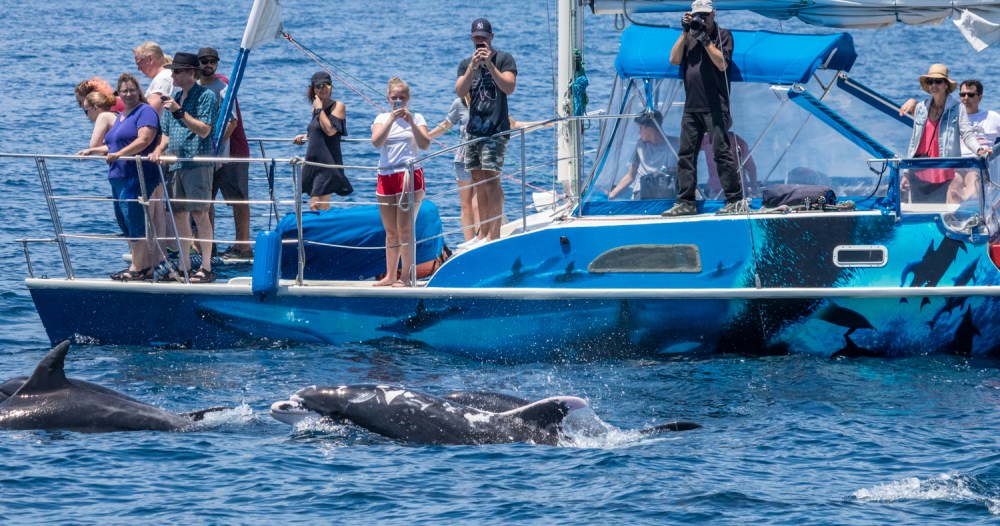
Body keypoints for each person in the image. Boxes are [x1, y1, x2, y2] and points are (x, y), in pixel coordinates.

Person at [76, 73, 161, 281]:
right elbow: (115, 145)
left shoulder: (145, 111)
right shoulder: (123, 116)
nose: (128, 94)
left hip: (136, 174)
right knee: (125, 220)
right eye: (124, 91)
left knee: (134, 219)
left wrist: (120, 154)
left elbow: (144, 140)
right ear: (119, 94)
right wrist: (94, 151)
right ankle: (143, 264)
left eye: (132, 90)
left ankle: (136, 268)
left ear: (138, 91)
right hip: (118, 176)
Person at [664, 0, 743, 217]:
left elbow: (722, 64)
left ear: (714, 14)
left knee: (721, 153)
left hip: (716, 106)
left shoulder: (723, 35)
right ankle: (686, 202)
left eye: (706, 16)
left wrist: (705, 40)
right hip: (692, 107)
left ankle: (735, 200)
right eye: (699, 15)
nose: (703, 19)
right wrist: (685, 32)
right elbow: (674, 59)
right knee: (686, 155)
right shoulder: (689, 34)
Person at [150, 52, 220, 283]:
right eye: (172, 71)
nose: (173, 75)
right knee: (179, 214)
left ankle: (207, 266)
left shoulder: (205, 97)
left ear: (192, 72)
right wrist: (158, 151)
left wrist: (179, 111)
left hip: (197, 163)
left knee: (200, 213)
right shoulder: (175, 97)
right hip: (175, 164)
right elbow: (167, 134)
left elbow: (204, 130)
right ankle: (184, 265)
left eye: (177, 71)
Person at [455, 17, 517, 247]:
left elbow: (509, 87)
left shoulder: (504, 59)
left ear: (491, 37)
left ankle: (494, 232)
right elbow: (460, 90)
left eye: (483, 38)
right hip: (474, 130)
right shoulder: (466, 64)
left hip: (496, 129)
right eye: (476, 38)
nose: (480, 42)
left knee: (492, 179)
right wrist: (473, 67)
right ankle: (482, 233)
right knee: (478, 180)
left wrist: (490, 65)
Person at [370, 77, 431, 287]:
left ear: (408, 98)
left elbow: (424, 144)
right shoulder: (381, 118)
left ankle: (405, 276)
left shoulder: (418, 118)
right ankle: (390, 275)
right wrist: (391, 120)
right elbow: (377, 142)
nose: (398, 101)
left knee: (405, 229)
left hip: (409, 176)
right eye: (394, 97)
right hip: (386, 176)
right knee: (391, 231)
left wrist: (410, 122)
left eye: (402, 97)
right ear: (388, 98)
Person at [897, 64, 982, 204]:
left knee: (940, 212)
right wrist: (906, 172)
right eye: (930, 82)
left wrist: (979, 149)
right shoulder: (920, 108)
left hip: (943, 172)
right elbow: (914, 141)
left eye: (938, 81)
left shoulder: (957, 109)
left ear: (946, 85)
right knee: (922, 215)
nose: (933, 85)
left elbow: (967, 134)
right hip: (919, 170)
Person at [197, 47, 253, 258]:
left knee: (238, 198)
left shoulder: (224, 87)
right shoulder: (196, 88)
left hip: (233, 151)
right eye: (203, 61)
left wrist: (216, 146)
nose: (208, 65)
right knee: (207, 199)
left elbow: (232, 122)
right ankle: (208, 245)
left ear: (217, 63)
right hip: (207, 154)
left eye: (212, 61)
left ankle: (243, 245)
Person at [292, 71, 352, 211]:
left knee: (316, 204)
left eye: (327, 85)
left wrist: (319, 109)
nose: (324, 89)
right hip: (313, 162)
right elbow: (317, 131)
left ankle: (323, 231)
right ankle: (325, 231)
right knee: (320, 205)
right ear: (313, 89)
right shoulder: (315, 109)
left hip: (328, 163)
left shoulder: (338, 106)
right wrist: (304, 137)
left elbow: (330, 130)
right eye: (319, 86)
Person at [428, 96, 479, 242]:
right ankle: (469, 242)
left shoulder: (485, 99)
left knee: (478, 203)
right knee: (466, 204)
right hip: (462, 156)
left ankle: (481, 238)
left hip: (481, 156)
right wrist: (426, 136)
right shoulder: (459, 103)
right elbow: (446, 124)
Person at [608, 111, 676, 200]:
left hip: (664, 192)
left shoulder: (672, 145)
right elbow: (631, 175)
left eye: (640, 128)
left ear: (649, 130)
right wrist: (613, 193)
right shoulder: (640, 145)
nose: (639, 132)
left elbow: (674, 175)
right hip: (642, 192)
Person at [134, 42, 173, 115]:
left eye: (139, 64)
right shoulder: (166, 75)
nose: (139, 69)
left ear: (150, 59)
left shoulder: (162, 79)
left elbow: (150, 113)